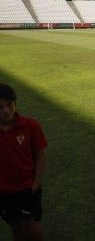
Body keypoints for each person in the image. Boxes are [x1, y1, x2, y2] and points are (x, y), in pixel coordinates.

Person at [0, 83, 47, 241]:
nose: (6, 110)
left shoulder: (30, 125)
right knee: (15, 225)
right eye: (0, 107)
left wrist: (35, 183)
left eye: (9, 104)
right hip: (4, 190)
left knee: (31, 227)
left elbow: (40, 155)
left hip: (27, 186)